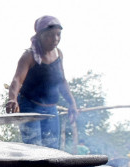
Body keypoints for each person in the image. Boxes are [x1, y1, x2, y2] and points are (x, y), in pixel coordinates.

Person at [5, 15, 78, 149]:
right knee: (34, 148)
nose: (55, 39)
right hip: (30, 106)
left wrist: (71, 103)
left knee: (52, 149)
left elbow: (61, 81)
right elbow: (17, 80)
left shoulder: (59, 54)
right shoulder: (29, 56)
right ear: (39, 35)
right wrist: (12, 99)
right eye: (50, 35)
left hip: (51, 109)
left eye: (58, 35)